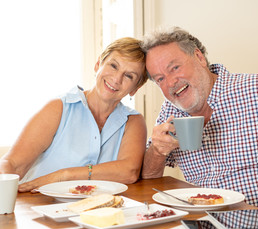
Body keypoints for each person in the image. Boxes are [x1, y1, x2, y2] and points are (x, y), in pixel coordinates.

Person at [140, 26, 258, 221]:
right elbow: (148, 179)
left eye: (175, 68)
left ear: (199, 57)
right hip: (210, 226)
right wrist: (157, 151)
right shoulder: (170, 111)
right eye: (160, 79)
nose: (171, 82)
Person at [0, 37, 148, 192]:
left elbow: (129, 172)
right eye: (113, 66)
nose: (117, 79)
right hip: (39, 207)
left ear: (134, 89)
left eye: (129, 76)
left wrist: (65, 175)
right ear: (98, 64)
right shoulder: (58, 108)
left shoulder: (133, 121)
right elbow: (13, 164)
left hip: (97, 212)